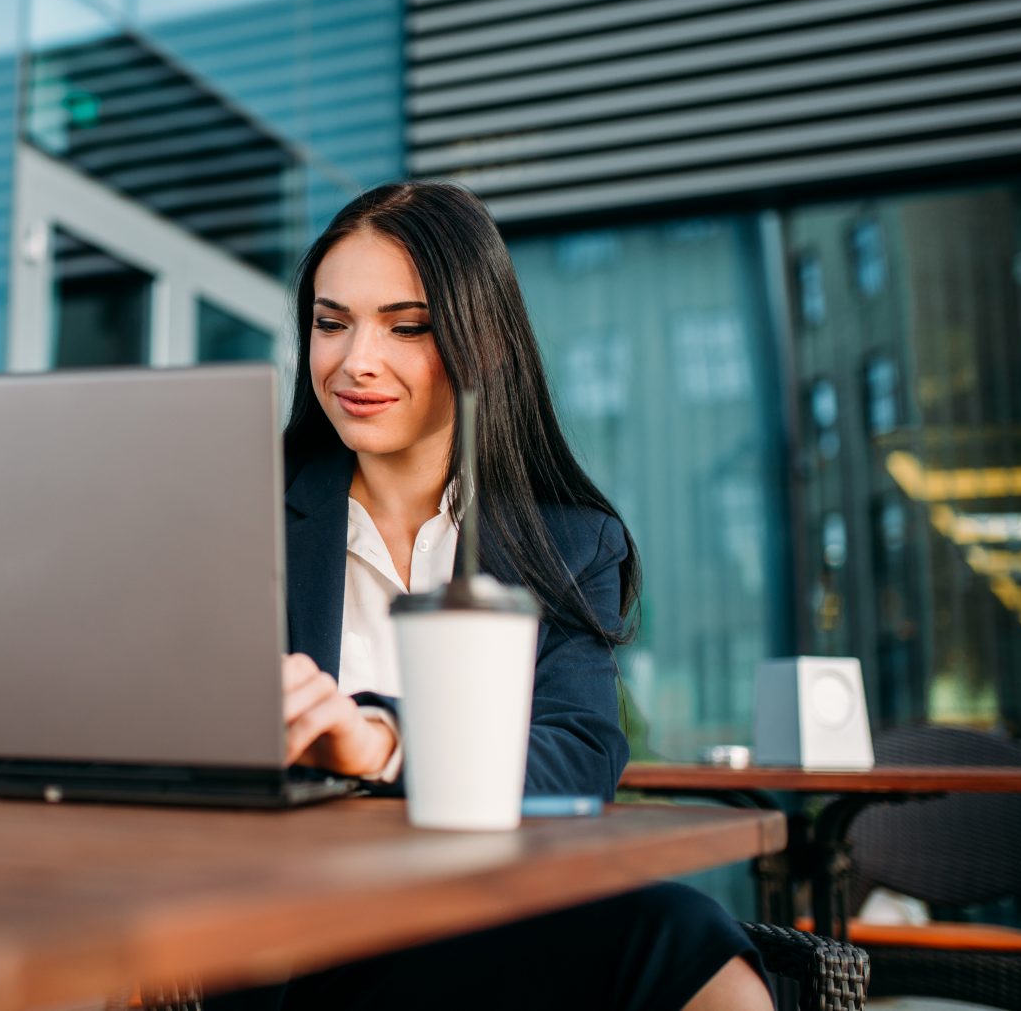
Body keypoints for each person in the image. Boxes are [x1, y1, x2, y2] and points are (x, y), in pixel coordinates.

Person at [206, 182, 773, 1011]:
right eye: (332, 324)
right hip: (284, 925)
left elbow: (579, 754)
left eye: (407, 326)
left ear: (483, 344)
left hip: (484, 922)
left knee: (692, 946)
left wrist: (386, 740)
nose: (357, 360)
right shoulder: (241, 519)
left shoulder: (569, 544)